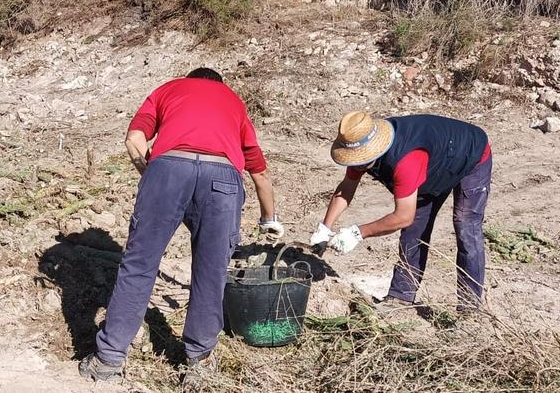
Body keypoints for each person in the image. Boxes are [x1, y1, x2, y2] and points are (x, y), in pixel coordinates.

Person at [79, 67, 282, 383]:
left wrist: (155, 179)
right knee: (211, 271)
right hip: (222, 178)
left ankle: (108, 360)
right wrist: (269, 219)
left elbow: (134, 139)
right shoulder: (234, 102)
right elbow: (260, 175)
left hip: (168, 168)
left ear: (189, 80)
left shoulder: (167, 89)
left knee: (138, 266)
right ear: (218, 85)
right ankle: (198, 364)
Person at [312, 111, 492, 310]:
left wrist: (357, 233)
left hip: (470, 155)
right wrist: (325, 228)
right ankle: (402, 296)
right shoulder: (360, 150)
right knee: (414, 231)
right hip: (433, 164)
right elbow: (346, 188)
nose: (355, 164)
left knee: (465, 226)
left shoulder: (405, 159)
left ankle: (470, 307)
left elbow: (403, 217)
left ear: (372, 151)